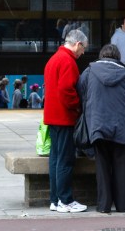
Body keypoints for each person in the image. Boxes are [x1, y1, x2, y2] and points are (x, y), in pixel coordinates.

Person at [78, 44, 125, 213]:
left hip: (98, 125)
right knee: (123, 167)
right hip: (123, 127)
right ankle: (123, 205)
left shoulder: (89, 72)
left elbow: (81, 92)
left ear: (101, 55)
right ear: (118, 57)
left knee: (102, 166)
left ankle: (104, 205)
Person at [43, 29, 89, 214]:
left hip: (53, 117)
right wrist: (78, 106)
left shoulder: (54, 59)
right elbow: (67, 91)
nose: (83, 52)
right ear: (77, 44)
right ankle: (65, 200)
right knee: (65, 160)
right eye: (83, 48)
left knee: (55, 159)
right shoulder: (68, 61)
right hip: (64, 118)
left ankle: (55, 200)